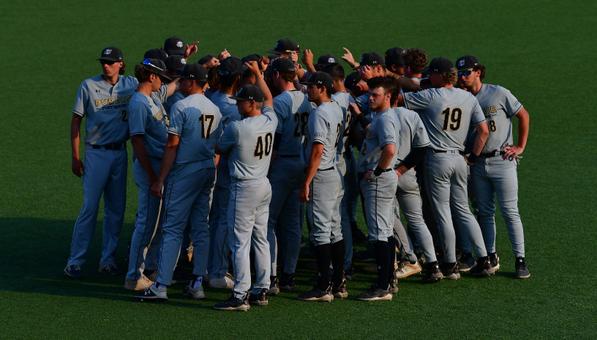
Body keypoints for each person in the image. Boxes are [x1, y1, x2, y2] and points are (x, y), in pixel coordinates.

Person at [135, 64, 222, 301]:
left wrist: (160, 178)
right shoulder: (215, 108)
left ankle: (161, 285)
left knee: (172, 228)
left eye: (183, 80)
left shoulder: (182, 107)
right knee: (201, 228)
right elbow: (217, 147)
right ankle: (196, 283)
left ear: (192, 82)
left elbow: (172, 145)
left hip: (185, 172)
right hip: (206, 170)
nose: (180, 83)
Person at [398, 57, 491, 279]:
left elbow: (398, 99)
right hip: (460, 159)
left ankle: (449, 264)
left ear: (440, 75)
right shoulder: (468, 97)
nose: (429, 77)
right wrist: (472, 157)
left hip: (437, 159)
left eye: (433, 74)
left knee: (442, 212)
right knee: (464, 210)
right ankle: (485, 259)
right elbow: (484, 130)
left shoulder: (430, 96)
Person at [64, 47, 137, 279]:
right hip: (96, 154)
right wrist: (75, 157)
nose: (105, 65)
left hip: (119, 153)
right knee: (89, 208)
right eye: (103, 62)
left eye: (110, 62)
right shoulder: (88, 85)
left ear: (120, 64)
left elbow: (159, 85)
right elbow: (76, 121)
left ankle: (108, 260)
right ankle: (75, 261)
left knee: (116, 209)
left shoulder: (131, 84)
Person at [456, 55, 531, 279]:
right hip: (477, 163)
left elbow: (523, 115)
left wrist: (519, 146)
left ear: (478, 72)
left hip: (502, 161)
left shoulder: (498, 92)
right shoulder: (461, 98)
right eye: (460, 73)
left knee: (510, 211)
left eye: (467, 72)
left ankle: (520, 260)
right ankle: (490, 257)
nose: (463, 77)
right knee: (484, 212)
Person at [213, 61, 278, 311]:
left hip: (244, 188)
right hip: (264, 185)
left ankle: (240, 294)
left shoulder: (238, 128)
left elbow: (219, 147)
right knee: (261, 238)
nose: (237, 104)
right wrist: (260, 76)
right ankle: (261, 289)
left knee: (240, 241)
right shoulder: (269, 121)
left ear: (251, 103)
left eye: (241, 101)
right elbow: (269, 100)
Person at [124, 58, 177, 291]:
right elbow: (137, 142)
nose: (163, 82)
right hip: (150, 169)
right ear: (152, 77)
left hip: (157, 168)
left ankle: (145, 270)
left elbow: (173, 86)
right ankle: (133, 276)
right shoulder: (138, 103)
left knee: (155, 223)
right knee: (146, 223)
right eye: (161, 77)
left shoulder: (151, 97)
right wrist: (153, 176)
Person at [266, 58, 312, 293]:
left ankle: (271, 276)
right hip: (301, 163)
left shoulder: (280, 102)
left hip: (282, 164)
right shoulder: (306, 99)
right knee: (293, 223)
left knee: (269, 221)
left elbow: (275, 141)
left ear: (277, 76)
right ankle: (289, 275)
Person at [298, 72, 345, 302]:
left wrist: (306, 181)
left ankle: (323, 286)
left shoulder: (319, 113)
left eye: (310, 86)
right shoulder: (336, 108)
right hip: (335, 173)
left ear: (322, 88)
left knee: (320, 231)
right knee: (335, 228)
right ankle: (338, 282)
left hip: (322, 175)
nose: (307, 90)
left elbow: (317, 151)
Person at [355, 77, 400, 301]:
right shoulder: (383, 116)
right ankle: (388, 282)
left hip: (379, 181)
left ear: (388, 97)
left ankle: (382, 286)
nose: (370, 98)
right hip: (385, 179)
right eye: (370, 94)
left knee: (380, 233)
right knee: (387, 230)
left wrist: (377, 172)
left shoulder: (385, 120)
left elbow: (390, 149)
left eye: (375, 95)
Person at [208, 56, 244, 289]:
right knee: (224, 220)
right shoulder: (232, 108)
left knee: (213, 219)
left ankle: (209, 268)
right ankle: (218, 271)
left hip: (209, 166)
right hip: (226, 170)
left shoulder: (211, 97)